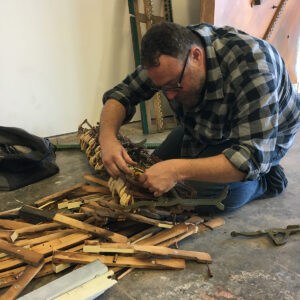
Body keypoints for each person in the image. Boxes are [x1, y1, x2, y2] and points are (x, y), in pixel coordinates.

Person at [99, 22, 300, 211]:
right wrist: (107, 138)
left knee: (196, 194)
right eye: (162, 88)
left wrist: (178, 170)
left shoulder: (254, 65)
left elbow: (250, 157)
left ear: (196, 56)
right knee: (151, 174)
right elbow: (122, 94)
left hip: (263, 138)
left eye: (173, 85)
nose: (169, 95)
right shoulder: (169, 57)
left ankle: (266, 180)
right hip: (209, 127)